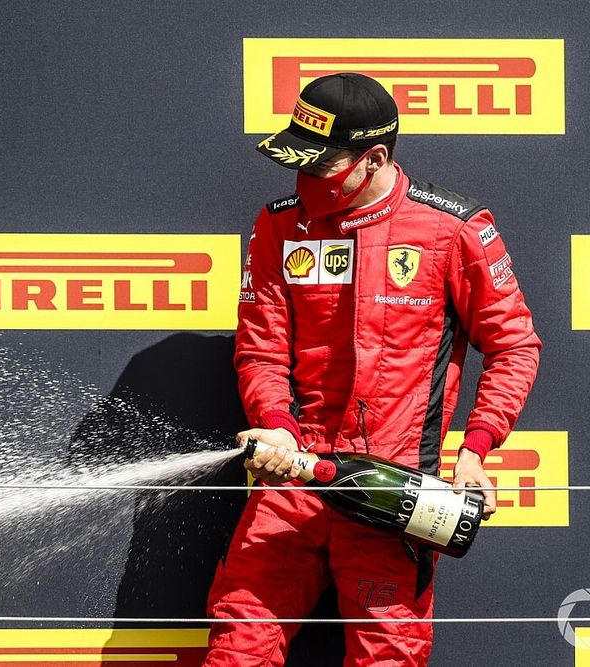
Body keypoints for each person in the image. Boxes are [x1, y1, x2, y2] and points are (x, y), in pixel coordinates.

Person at [204, 72, 541, 667]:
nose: (304, 181)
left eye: (320, 167)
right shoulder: (280, 224)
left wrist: (476, 451)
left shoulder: (454, 229)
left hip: (397, 490)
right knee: (237, 648)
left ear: (374, 158)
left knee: (388, 658)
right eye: (297, 165)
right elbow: (260, 348)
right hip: (293, 477)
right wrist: (276, 424)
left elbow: (514, 346)